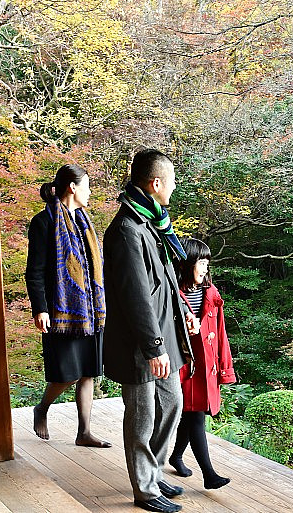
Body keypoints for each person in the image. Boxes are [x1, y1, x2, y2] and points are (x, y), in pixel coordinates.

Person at [103, 149, 198, 513]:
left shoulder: (152, 223)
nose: (174, 189)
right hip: (140, 343)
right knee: (142, 416)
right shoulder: (128, 230)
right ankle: (144, 488)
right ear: (156, 183)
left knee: (172, 404)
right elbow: (135, 297)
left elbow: (167, 281)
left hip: (164, 333)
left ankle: (153, 470)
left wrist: (186, 313)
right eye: (171, 182)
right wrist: (153, 347)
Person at [25, 164, 111, 448]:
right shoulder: (44, 222)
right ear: (72, 187)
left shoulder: (86, 222)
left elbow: (93, 268)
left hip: (90, 311)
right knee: (66, 374)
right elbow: (35, 270)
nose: (90, 192)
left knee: (88, 370)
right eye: (87, 186)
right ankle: (42, 408)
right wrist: (40, 308)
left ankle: (84, 432)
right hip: (61, 311)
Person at [168, 238, 236, 490]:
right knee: (195, 415)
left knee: (192, 413)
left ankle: (176, 456)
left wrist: (224, 368)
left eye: (208, 263)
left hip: (205, 365)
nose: (205, 268)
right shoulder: (172, 291)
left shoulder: (211, 293)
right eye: (201, 262)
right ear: (187, 263)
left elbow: (220, 333)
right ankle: (209, 474)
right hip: (183, 365)